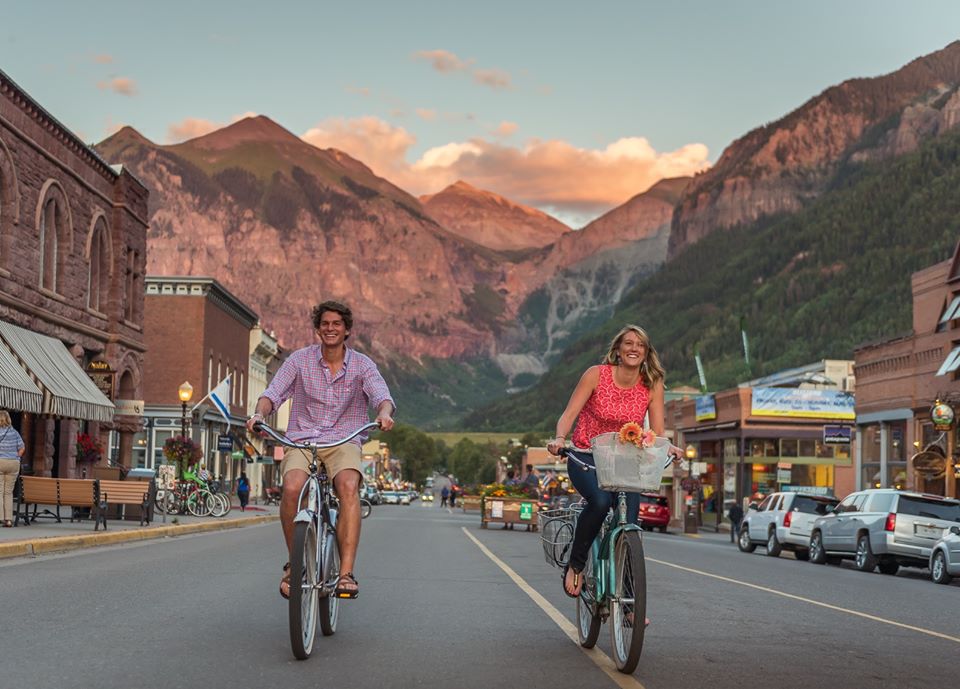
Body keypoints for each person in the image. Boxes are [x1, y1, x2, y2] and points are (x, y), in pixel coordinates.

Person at [247, 300, 395, 601]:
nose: (330, 328)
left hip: (344, 440)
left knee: (348, 486)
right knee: (291, 488)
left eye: (336, 324)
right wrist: (259, 415)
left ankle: (345, 573)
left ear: (347, 330)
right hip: (302, 440)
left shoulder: (363, 365)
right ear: (318, 329)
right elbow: (272, 394)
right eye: (325, 324)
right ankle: (296, 563)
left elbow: (382, 396)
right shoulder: (299, 361)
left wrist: (384, 413)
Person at [547, 325, 682, 619]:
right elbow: (569, 414)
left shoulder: (652, 383)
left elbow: (658, 430)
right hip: (586, 455)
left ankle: (630, 603)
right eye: (628, 343)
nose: (634, 348)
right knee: (600, 502)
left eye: (641, 345)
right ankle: (576, 564)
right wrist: (560, 438)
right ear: (618, 350)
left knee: (630, 524)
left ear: (646, 353)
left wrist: (667, 446)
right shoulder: (596, 375)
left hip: (625, 461)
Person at [0, 410, 25, 527]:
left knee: (0, 491)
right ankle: (8, 520)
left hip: (0, 462)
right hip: (13, 463)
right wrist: (16, 457)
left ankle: (0, 517)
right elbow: (22, 448)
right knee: (8, 492)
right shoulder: (15, 433)